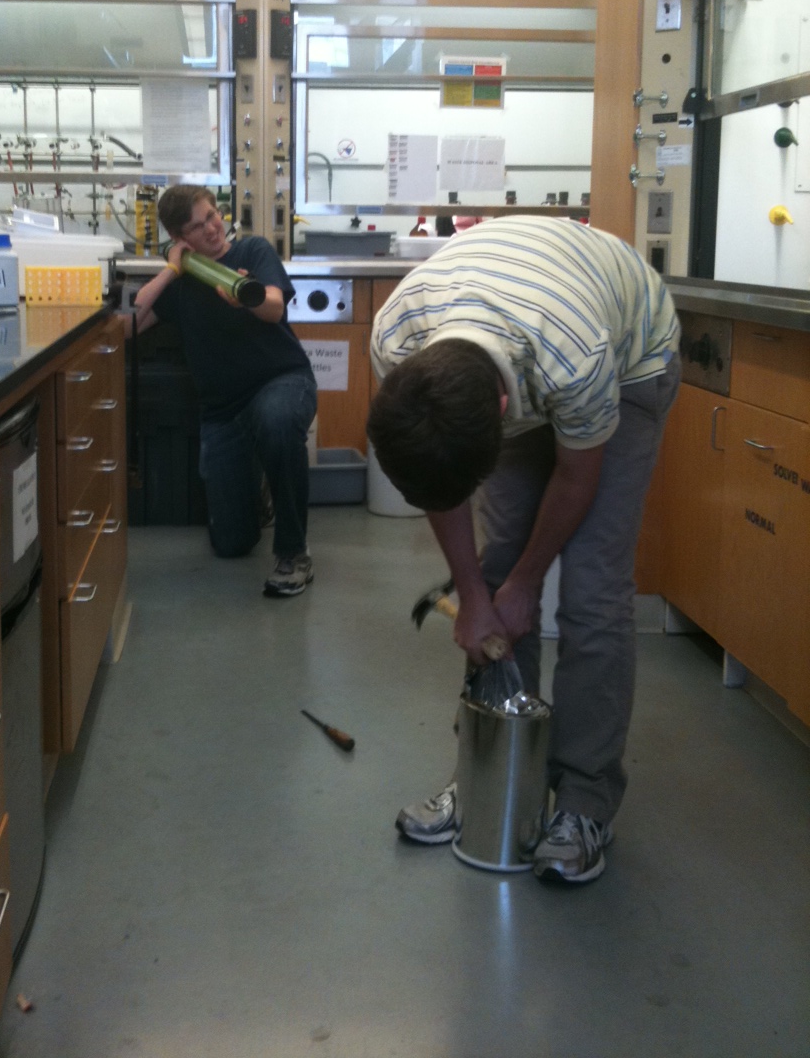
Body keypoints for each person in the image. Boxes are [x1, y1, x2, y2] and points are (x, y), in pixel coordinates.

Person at [367, 216, 680, 883]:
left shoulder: (577, 356)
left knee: (592, 587)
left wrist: (528, 583)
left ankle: (585, 799)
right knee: (498, 567)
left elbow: (576, 476)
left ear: (504, 408)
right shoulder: (398, 338)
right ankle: (487, 775)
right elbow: (439, 477)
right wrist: (475, 596)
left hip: (629, 357)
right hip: (512, 330)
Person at [130, 185, 317, 597]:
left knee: (277, 422)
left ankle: (293, 553)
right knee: (231, 545)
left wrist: (245, 298)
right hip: (223, 411)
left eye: (212, 216)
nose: (212, 229)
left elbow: (274, 307)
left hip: (282, 381)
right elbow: (131, 324)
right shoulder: (182, 281)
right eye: (197, 227)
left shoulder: (252, 252)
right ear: (179, 238)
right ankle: (258, 491)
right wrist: (172, 270)